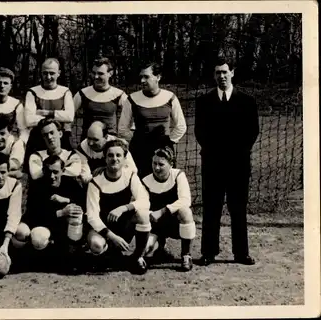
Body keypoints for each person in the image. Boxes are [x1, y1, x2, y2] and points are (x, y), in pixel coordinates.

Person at [195, 56, 259, 266]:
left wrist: (236, 153)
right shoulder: (204, 102)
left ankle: (241, 253)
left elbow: (252, 132)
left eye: (225, 72)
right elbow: (200, 133)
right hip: (212, 164)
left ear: (232, 73)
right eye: (218, 73)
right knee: (211, 209)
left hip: (238, 164)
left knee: (238, 209)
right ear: (214, 75)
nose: (221, 76)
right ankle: (208, 252)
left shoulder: (247, 101)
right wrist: (215, 153)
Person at [85, 139, 152, 275]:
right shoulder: (96, 182)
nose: (114, 159)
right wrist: (112, 237)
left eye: (118, 155)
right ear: (104, 158)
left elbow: (145, 201)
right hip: (104, 229)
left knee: (143, 215)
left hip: (124, 226)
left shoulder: (131, 176)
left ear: (124, 159)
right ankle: (106, 255)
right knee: (96, 245)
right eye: (110, 155)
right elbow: (92, 216)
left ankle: (137, 257)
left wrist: (123, 208)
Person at [118, 62, 187, 179]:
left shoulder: (170, 97)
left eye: (146, 76)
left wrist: (168, 142)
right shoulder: (132, 99)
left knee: (165, 186)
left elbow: (181, 126)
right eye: (141, 77)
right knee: (141, 186)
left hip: (164, 152)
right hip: (140, 153)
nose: (142, 81)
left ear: (158, 77)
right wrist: (139, 140)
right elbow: (122, 128)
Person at [18, 155, 86, 272]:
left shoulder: (71, 183)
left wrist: (67, 200)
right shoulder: (38, 186)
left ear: (63, 171)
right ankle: (40, 260)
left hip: (63, 228)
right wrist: (61, 212)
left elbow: (84, 205)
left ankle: (73, 253)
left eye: (55, 172)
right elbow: (34, 215)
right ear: (43, 171)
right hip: (44, 226)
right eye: (48, 172)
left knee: (76, 215)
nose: (52, 176)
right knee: (39, 237)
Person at [141, 140, 196, 271]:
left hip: (175, 223)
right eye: (154, 163)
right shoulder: (145, 181)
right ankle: (160, 248)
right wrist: (150, 215)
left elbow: (185, 200)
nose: (157, 167)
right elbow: (140, 205)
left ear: (171, 164)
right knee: (146, 251)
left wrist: (163, 211)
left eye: (161, 164)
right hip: (155, 225)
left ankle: (186, 255)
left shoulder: (178, 175)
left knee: (185, 212)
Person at [23, 58, 75, 172]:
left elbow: (70, 116)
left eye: (52, 73)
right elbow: (29, 119)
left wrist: (46, 113)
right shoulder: (32, 92)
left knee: (64, 170)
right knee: (36, 172)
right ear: (41, 73)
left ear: (58, 73)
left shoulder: (65, 91)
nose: (48, 77)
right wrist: (58, 115)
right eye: (45, 73)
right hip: (38, 137)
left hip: (61, 137)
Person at [73, 57, 128, 141]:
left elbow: (132, 117)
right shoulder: (82, 94)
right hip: (88, 142)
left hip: (110, 143)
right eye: (94, 73)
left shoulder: (119, 95)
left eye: (100, 73)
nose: (96, 76)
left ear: (110, 73)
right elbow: (68, 115)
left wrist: (122, 138)